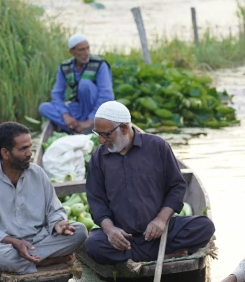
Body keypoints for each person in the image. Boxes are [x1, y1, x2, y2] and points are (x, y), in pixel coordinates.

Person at [84, 100, 216, 265]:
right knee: (93, 244)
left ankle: (141, 256)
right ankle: (163, 255)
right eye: (99, 134)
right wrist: (110, 230)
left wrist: (160, 220)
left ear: (124, 128)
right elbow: (96, 201)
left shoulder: (157, 146)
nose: (101, 141)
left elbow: (177, 186)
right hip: (124, 239)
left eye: (106, 134)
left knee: (204, 226)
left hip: (161, 233)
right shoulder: (98, 158)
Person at [0, 122, 88, 274]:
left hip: (39, 240)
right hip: (5, 246)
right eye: (23, 149)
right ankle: (48, 260)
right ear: (5, 153)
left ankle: (27, 262)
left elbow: (54, 210)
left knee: (80, 231)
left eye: (30, 147)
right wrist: (13, 241)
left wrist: (58, 223)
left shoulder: (38, 174)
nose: (30, 153)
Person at [38, 34, 115, 134]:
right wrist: (66, 115)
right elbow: (57, 94)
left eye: (88, 48)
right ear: (72, 52)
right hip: (77, 110)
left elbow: (106, 95)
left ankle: (87, 126)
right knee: (44, 107)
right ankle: (78, 129)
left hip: (96, 110)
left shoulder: (100, 64)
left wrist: (90, 120)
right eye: (82, 50)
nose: (86, 53)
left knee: (85, 85)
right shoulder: (65, 67)